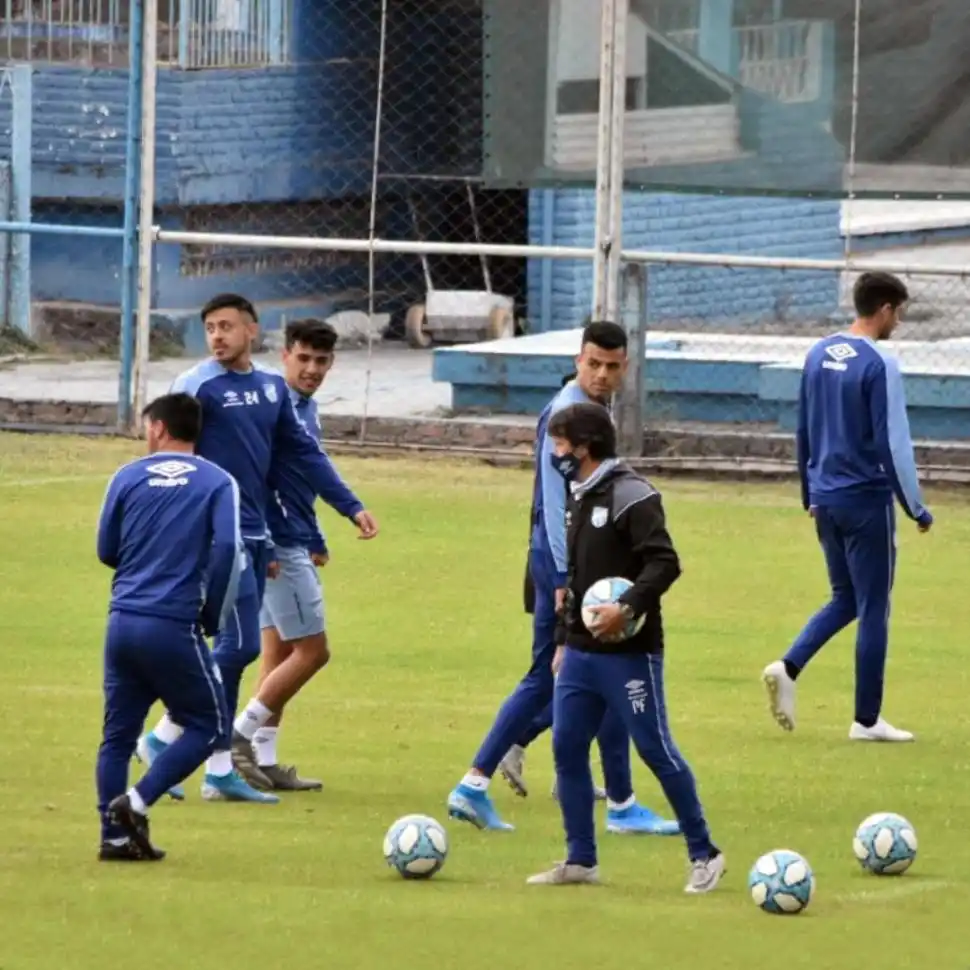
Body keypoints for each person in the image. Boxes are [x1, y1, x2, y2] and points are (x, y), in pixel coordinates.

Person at [135, 294, 379, 803]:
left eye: (227, 326)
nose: (218, 336)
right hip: (213, 536)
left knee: (249, 649)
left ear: (252, 330)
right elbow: (159, 444)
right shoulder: (197, 385)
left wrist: (347, 506)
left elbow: (303, 457)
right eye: (210, 328)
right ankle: (177, 740)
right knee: (245, 647)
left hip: (256, 536)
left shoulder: (271, 390)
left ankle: (213, 761)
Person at [447, 320, 678, 835]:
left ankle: (619, 803)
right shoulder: (566, 414)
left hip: (575, 562)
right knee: (547, 676)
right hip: (564, 564)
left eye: (612, 366)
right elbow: (556, 506)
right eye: (593, 363)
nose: (601, 374)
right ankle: (477, 778)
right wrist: (563, 578)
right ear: (578, 360)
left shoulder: (591, 411)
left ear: (625, 368)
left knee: (606, 671)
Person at [527, 402, 724, 892]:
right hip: (579, 654)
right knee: (567, 748)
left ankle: (705, 853)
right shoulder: (578, 494)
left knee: (656, 749)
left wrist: (628, 608)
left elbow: (664, 563)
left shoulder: (633, 496)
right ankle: (580, 860)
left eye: (561, 444)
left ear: (585, 447)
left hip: (630, 656)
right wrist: (559, 641)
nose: (555, 453)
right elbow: (575, 579)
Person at [762, 271, 932, 742]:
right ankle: (867, 719)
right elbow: (892, 443)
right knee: (874, 606)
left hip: (825, 497)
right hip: (865, 500)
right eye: (898, 313)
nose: (898, 322)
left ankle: (788, 665)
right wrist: (915, 507)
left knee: (846, 598)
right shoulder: (881, 362)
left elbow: (804, 429)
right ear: (885, 310)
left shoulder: (817, 353)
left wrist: (808, 493)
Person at [96, 393, 241, 861]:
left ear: (157, 428)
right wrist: (212, 612)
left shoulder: (125, 476)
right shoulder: (219, 482)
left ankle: (114, 839)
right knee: (210, 724)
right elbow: (227, 552)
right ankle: (135, 803)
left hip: (122, 621)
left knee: (117, 737)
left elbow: (106, 549)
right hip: (172, 623)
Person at [234, 319, 338, 792]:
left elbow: (297, 482)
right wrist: (270, 541)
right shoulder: (274, 407)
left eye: (321, 361)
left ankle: (263, 759)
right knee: (312, 652)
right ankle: (235, 737)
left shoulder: (306, 408)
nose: (312, 369)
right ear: (284, 355)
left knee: (276, 650)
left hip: (286, 537)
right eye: (304, 358)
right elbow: (260, 480)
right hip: (272, 543)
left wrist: (314, 532)